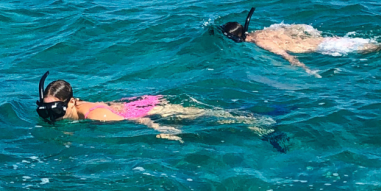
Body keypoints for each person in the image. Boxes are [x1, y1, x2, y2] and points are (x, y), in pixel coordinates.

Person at [217, 8, 381, 77]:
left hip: (330, 49)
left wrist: (309, 71)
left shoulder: (259, 43)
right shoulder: (269, 30)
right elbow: (301, 29)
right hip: (331, 40)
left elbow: (287, 57)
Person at [34, 72, 277, 144]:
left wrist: (160, 127)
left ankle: (253, 121)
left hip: (149, 109)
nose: (51, 115)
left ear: (71, 102)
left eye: (54, 109)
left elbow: (132, 118)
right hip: (136, 103)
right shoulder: (69, 110)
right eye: (45, 110)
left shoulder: (97, 115)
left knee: (210, 116)